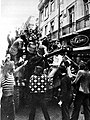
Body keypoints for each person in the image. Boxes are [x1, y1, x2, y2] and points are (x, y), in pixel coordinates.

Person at [1, 54, 27, 120]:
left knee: (11, 116)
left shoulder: (10, 74)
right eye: (12, 67)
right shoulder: (4, 76)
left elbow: (16, 70)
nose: (14, 67)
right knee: (5, 115)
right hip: (6, 98)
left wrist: (23, 65)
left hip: (10, 98)